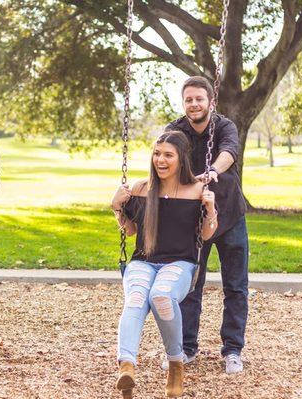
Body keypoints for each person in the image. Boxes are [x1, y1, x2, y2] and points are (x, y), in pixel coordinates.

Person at [111, 131, 218, 398]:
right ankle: (127, 366)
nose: (161, 160)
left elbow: (206, 234)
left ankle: (175, 364)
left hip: (180, 263)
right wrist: (116, 207)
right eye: (157, 154)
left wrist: (211, 209)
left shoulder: (196, 191)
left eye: (168, 155)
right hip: (143, 261)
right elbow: (131, 230)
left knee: (161, 296)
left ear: (181, 159)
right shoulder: (139, 188)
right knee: (136, 298)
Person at [166, 76, 249, 374]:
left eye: (199, 99)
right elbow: (165, 159)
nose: (194, 104)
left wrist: (212, 170)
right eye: (189, 99)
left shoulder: (224, 126)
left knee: (236, 286)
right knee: (189, 286)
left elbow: (229, 151)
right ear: (183, 102)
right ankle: (187, 348)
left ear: (211, 102)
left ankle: (233, 350)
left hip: (229, 217)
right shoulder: (175, 130)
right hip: (193, 220)